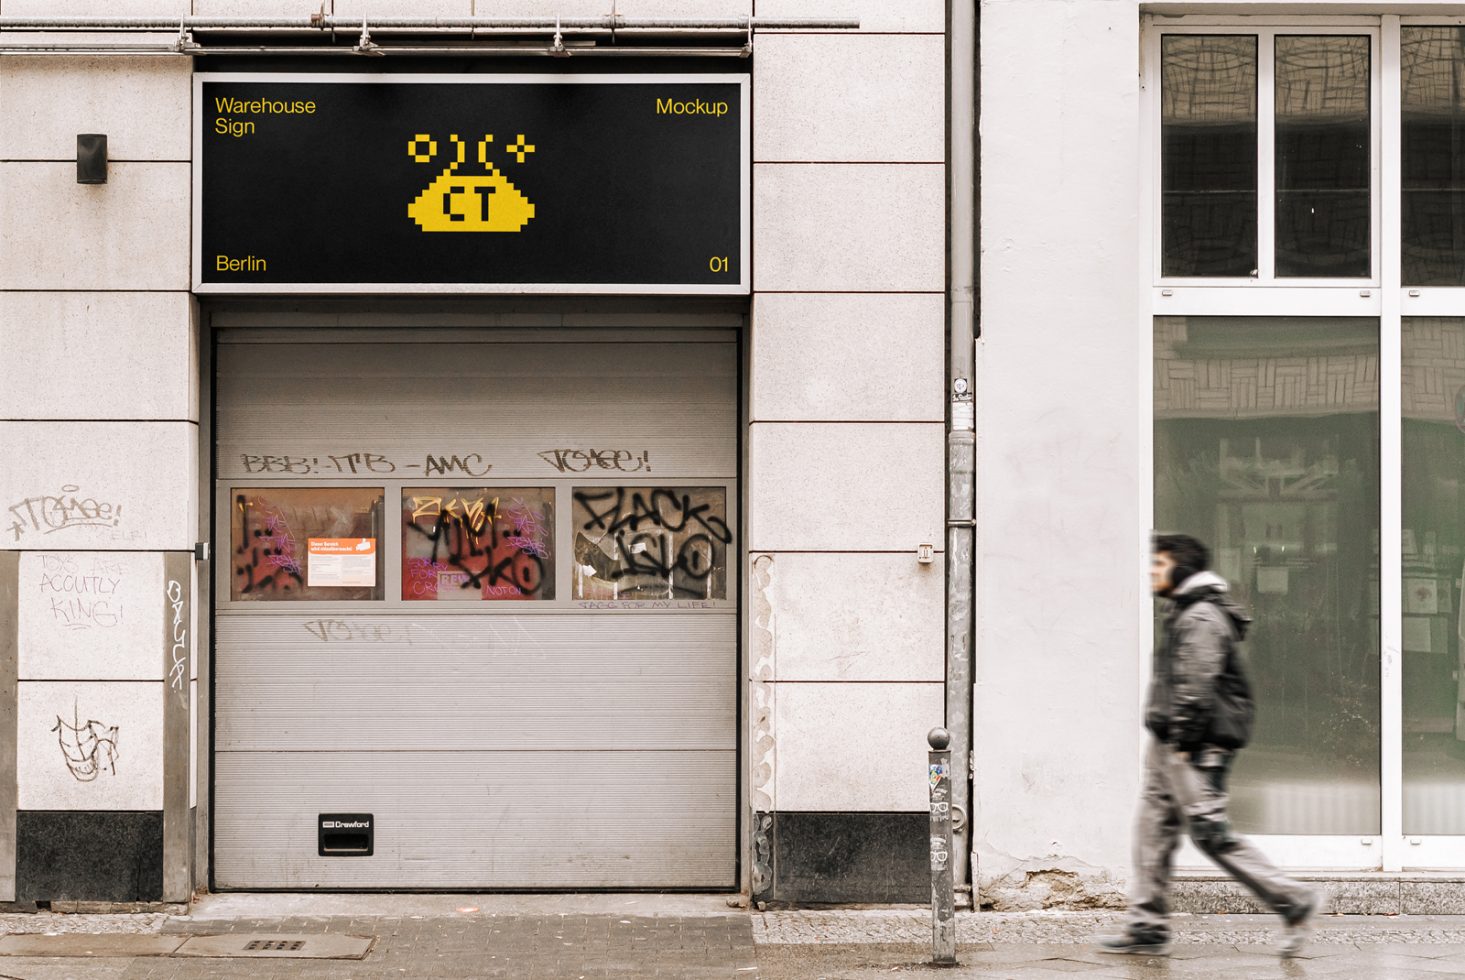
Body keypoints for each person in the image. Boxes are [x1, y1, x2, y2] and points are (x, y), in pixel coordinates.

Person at [1098, 533, 1322, 958]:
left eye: (1158, 564)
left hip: (1190, 746)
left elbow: (1197, 686)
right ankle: (1147, 925)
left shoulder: (1201, 616)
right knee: (1152, 832)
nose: (1151, 570)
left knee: (1211, 834)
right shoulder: (1186, 609)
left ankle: (1293, 900)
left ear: (1180, 567)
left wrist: (1182, 743)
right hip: (1168, 744)